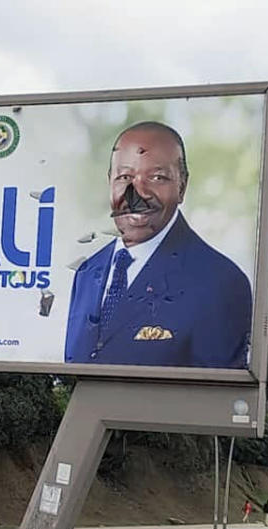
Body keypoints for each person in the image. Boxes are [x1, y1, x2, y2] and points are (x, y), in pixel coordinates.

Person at [65, 121, 252, 368]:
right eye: (125, 177)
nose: (137, 192)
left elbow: (213, 397)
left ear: (182, 186)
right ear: (110, 181)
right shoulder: (87, 273)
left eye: (157, 177)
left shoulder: (220, 283)